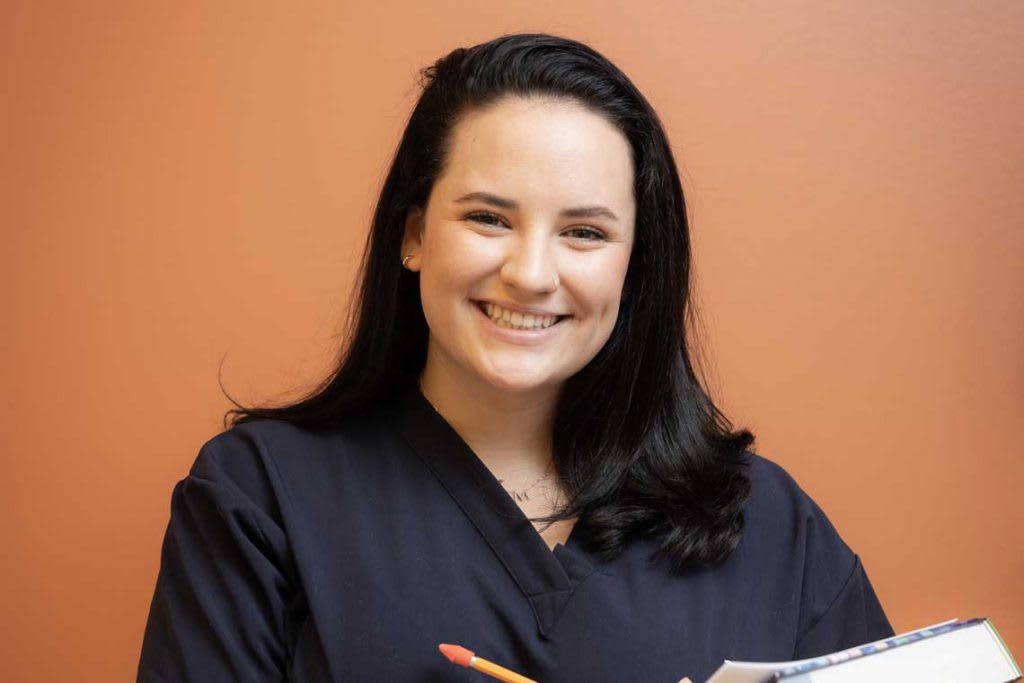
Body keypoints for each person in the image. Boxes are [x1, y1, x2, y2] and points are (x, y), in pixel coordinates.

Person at [137, 33, 893, 683]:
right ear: (413, 235)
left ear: (634, 267)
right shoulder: (260, 496)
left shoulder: (771, 526)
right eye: (489, 217)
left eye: (585, 233)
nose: (531, 272)